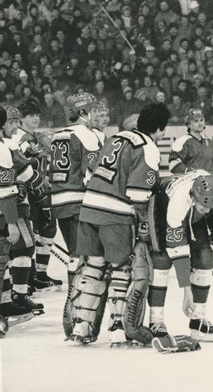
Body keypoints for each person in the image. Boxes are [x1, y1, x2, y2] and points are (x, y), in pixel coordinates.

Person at [68, 103, 170, 345]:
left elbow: (88, 174)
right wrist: (145, 223)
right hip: (116, 216)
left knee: (92, 268)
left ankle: (81, 327)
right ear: (158, 129)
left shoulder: (114, 138)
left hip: (89, 210)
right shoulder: (148, 147)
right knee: (120, 269)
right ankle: (116, 328)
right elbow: (137, 193)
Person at [147, 171, 213, 341]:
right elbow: (178, 250)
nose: (207, 210)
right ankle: (156, 320)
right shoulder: (178, 203)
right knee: (161, 260)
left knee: (205, 258)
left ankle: (198, 317)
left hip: (191, 212)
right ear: (194, 196)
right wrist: (187, 291)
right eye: (203, 206)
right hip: (162, 208)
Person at [50, 93, 103, 286]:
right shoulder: (87, 135)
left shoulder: (58, 134)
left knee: (74, 253)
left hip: (58, 201)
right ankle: (78, 300)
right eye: (93, 110)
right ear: (82, 112)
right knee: (86, 253)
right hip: (78, 201)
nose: (96, 114)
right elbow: (92, 172)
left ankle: (74, 298)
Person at [0, 106, 48, 322]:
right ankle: (17, 296)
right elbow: (25, 173)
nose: (15, 126)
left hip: (13, 205)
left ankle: (7, 301)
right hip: (12, 207)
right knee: (23, 248)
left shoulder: (10, 144)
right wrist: (41, 183)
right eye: (11, 122)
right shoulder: (7, 146)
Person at [12, 101, 59, 292]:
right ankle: (29, 277)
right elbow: (20, 163)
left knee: (47, 229)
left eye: (38, 114)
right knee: (32, 233)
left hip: (41, 190)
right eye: (32, 115)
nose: (36, 118)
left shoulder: (36, 136)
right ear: (21, 118)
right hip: (29, 192)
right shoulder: (20, 137)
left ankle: (39, 273)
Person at [169, 108, 213, 178]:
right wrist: (190, 174)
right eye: (196, 121)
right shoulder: (182, 141)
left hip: (210, 184)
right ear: (189, 125)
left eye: (201, 120)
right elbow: (173, 164)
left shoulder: (209, 142)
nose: (200, 123)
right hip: (190, 186)